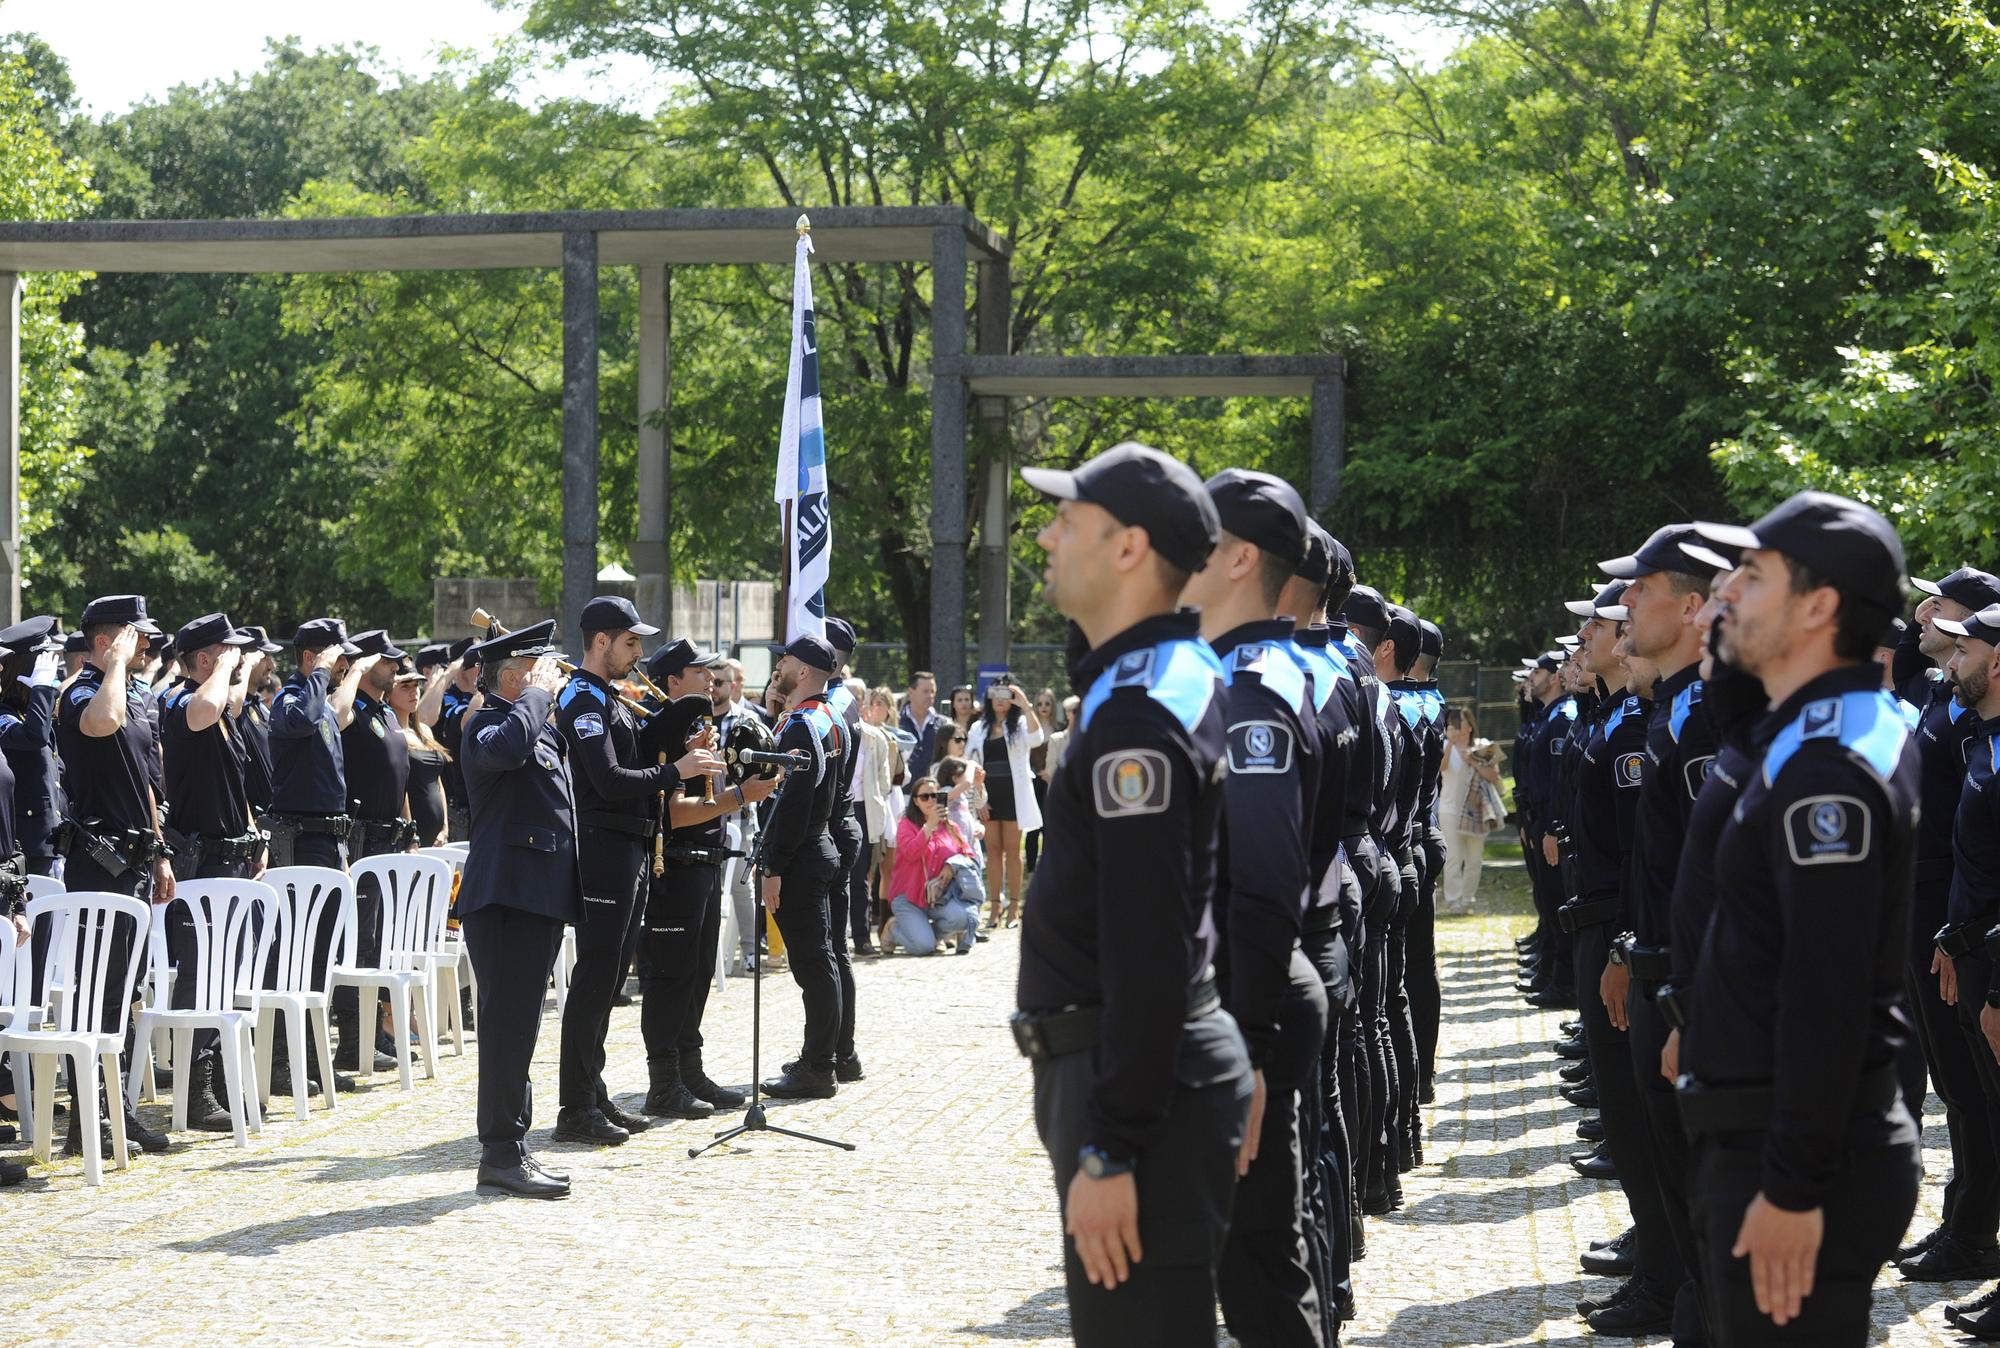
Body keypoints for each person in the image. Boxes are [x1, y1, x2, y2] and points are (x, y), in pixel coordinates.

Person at [1014, 441, 1252, 1346]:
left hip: (1135, 1090)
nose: (1045, 536)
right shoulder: (1158, 680)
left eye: (1066, 519)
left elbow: (1150, 943)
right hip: (1153, 1066)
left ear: (1127, 549)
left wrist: (1110, 1143)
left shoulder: (1138, 717)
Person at [1674, 492, 1921, 1341]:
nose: (1724, 595)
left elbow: (1830, 989)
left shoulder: (1829, 770)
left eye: (1750, 574)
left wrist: (1792, 1186)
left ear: (1819, 607)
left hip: (1797, 1149)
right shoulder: (1809, 728)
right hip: (1766, 1125)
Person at [1182, 466, 1328, 1346]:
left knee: (1260, 1271)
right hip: (1237, 994)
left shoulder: (1251, 690)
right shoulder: (1237, 672)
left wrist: (1248, 1057)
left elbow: (1269, 883)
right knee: (1249, 1257)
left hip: (1247, 1002)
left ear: (1238, 558)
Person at [1599, 523, 1723, 1345]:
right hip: (1655, 970)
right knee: (1680, 1198)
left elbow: (1712, 885)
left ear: (1689, 606)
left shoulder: (1705, 717)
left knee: (1704, 1205)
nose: (1624, 606)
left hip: (1689, 990)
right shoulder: (1672, 708)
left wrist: (1685, 1009)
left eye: (1640, 590)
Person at [1887, 565, 2000, 1285]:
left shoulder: (1970, 709)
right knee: (1959, 1088)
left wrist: (1958, 930)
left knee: (1972, 1084)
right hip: (1938, 909)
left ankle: (1972, 1234)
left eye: (1947, 613)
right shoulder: (1942, 696)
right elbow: (1906, 667)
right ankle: (1964, 1221)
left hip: (1957, 910)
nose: (1928, 617)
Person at [454, 620, 578, 1197]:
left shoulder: (535, 729)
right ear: (512, 676)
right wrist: (536, 694)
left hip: (535, 898)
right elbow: (505, 750)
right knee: (506, 1028)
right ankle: (500, 1152)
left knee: (522, 1026)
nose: (549, 677)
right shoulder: (484, 725)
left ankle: (512, 1146)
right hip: (504, 899)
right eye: (537, 669)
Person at [549, 598, 680, 1143]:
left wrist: (679, 740)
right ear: (601, 642)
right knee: (595, 978)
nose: (639, 653)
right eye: (631, 642)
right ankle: (575, 1108)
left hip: (629, 845)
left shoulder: (609, 698)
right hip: (603, 847)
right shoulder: (582, 696)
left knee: (609, 980)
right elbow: (607, 778)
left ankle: (593, 1092)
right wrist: (675, 770)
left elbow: (635, 753)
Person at [54, 593, 175, 1159]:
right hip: (97, 864)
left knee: (124, 993)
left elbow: (146, 780)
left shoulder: (130, 692)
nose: (146, 645)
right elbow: (101, 724)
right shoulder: (84, 691)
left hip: (133, 860)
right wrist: (116, 664)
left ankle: (116, 1109)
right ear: (105, 642)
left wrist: (160, 853)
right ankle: (88, 1118)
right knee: (98, 991)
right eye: (135, 636)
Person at [634, 637, 766, 1119]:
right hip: (676, 865)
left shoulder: (695, 726)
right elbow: (672, 815)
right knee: (670, 977)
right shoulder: (661, 731)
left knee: (697, 974)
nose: (712, 679)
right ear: (673, 681)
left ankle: (689, 1069)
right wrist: (740, 797)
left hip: (705, 860)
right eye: (699, 672)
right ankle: (663, 1081)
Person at [158, 613, 265, 1134]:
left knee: (225, 977)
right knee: (199, 977)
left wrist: (252, 834)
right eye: (229, 651)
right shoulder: (185, 700)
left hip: (231, 856)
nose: (241, 659)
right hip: (200, 862)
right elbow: (201, 710)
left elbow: (234, 778)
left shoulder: (223, 707)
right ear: (205, 659)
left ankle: (222, 1081)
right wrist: (222, 670)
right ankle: (196, 1089)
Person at [1932, 603, 2000, 1335]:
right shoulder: (1985, 741)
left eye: (1966, 650)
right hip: (1974, 958)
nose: (1952, 663)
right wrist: (1952, 941)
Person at [759, 635, 852, 1099]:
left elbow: (791, 804)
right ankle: (823, 1057)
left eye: (787, 659)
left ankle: (818, 1066)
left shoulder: (802, 726)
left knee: (813, 965)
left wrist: (773, 865)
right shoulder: (833, 718)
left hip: (800, 853)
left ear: (806, 671)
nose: (780, 664)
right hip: (821, 844)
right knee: (823, 960)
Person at [337, 630, 410, 1069]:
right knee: (358, 942)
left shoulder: (385, 711)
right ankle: (352, 1040)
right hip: (362, 837)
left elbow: (397, 769)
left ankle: (371, 1033)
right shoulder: (352, 710)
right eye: (388, 661)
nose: (396, 668)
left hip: (388, 838)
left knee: (378, 942)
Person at [971, 674, 1045, 928]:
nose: (1000, 700)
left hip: (1015, 796)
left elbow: (1037, 740)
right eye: (996, 694)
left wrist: (1026, 704)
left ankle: (1014, 908)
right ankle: (995, 907)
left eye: (1006, 694)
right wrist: (978, 799)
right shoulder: (978, 727)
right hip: (988, 798)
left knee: (1013, 851)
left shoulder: (1022, 723)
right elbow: (971, 763)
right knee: (992, 851)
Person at [883, 777, 980, 955]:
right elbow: (911, 853)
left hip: (939, 896)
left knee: (964, 917)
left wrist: (952, 866)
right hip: (908, 897)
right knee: (923, 948)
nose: (931, 801)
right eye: (924, 797)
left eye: (935, 796)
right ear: (915, 801)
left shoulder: (951, 826)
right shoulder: (905, 825)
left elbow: (968, 854)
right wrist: (929, 826)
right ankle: (894, 929)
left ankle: (932, 935)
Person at [0, 617, 66, 879]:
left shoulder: (28, 712)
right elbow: (34, 738)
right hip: (27, 849)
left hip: (51, 845)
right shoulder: (5, 713)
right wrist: (40, 688)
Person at [1438, 708, 1502, 914]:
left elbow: (1494, 776)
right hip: (1449, 809)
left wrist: (1473, 761)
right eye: (1454, 723)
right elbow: (1441, 767)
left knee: (1474, 858)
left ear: (1470, 725)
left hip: (1477, 810)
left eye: (1462, 722)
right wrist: (1449, 743)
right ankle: (1453, 900)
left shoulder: (1482, 746)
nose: (1458, 726)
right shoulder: (1446, 746)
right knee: (1453, 857)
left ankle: (1468, 899)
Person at [391, 665, 449, 847]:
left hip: (438, 837)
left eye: (416, 686)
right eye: (405, 686)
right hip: (411, 837)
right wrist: (411, 835)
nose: (414, 692)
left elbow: (437, 782)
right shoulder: (392, 733)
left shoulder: (424, 730)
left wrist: (445, 828)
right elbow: (400, 789)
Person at [233, 626, 283, 818]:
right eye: (264, 657)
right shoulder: (231, 706)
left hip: (274, 821)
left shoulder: (260, 707)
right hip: (249, 820)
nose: (272, 665)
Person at [1026, 688, 1061, 875]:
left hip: (1053, 783)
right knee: (1033, 825)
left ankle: (1049, 867)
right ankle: (1031, 869)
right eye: (1039, 704)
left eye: (1047, 703)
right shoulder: (1031, 729)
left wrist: (1052, 773)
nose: (1043, 707)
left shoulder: (1061, 728)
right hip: (1033, 782)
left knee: (1050, 825)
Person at [900, 670, 951, 779]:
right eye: (925, 691)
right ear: (911, 692)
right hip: (904, 792)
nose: (930, 696)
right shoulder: (897, 723)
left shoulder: (944, 724)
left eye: (933, 691)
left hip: (933, 792)